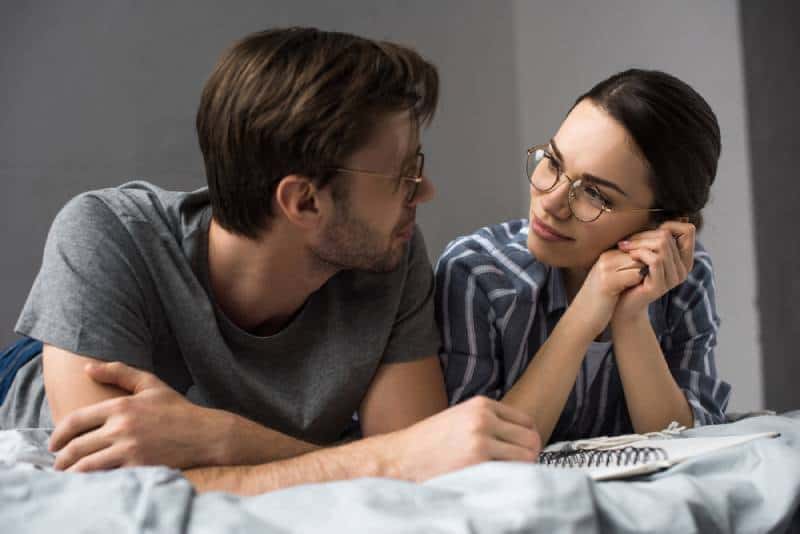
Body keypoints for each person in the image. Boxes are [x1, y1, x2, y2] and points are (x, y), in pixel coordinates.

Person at [0, 27, 541, 494]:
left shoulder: (388, 254)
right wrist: (384, 458)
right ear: (304, 201)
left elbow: (421, 467)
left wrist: (221, 437)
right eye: (403, 174)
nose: (424, 192)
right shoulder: (107, 234)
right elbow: (110, 490)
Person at [436, 69, 732, 446]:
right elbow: (479, 453)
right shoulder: (476, 272)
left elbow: (685, 445)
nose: (552, 203)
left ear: (662, 222)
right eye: (554, 163)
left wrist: (629, 317)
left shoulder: (683, 279)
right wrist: (585, 314)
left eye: (594, 193)